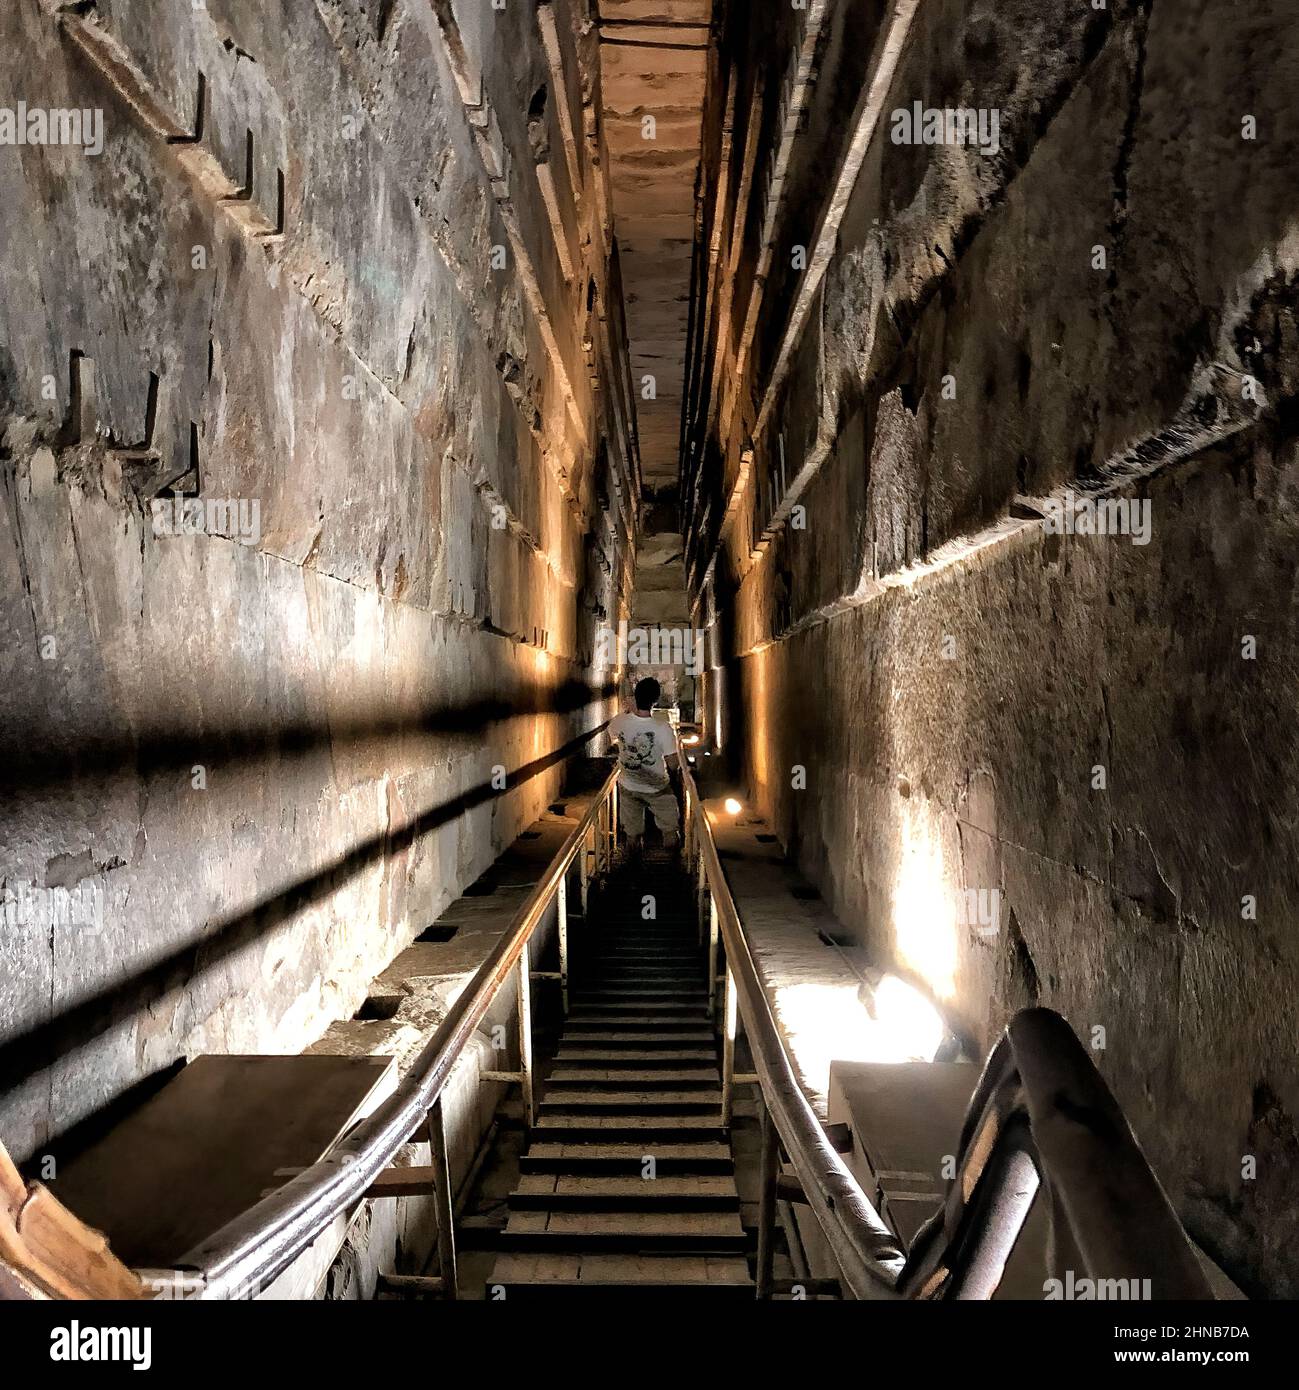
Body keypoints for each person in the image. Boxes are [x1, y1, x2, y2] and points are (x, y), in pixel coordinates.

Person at [608, 677, 681, 858]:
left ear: (635, 697)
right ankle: (673, 865)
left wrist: (629, 710)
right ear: (655, 700)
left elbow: (613, 734)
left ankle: (633, 864)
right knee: (670, 829)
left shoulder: (619, 722)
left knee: (631, 834)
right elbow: (673, 763)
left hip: (628, 785)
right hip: (657, 787)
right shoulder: (662, 728)